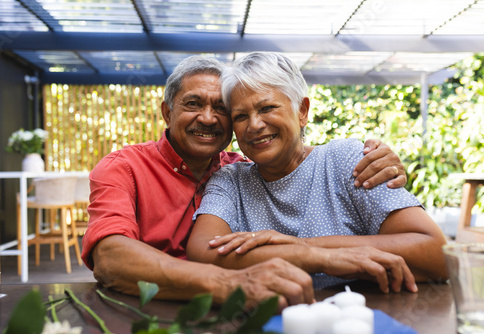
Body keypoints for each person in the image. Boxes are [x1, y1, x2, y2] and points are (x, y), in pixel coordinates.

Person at [81, 55, 411, 310]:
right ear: (167, 112)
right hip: (143, 314)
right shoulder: (123, 167)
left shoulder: (238, 168)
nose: (208, 118)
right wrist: (231, 282)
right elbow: (111, 258)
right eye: (193, 104)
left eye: (222, 109)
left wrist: (380, 161)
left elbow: (298, 152)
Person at [187, 52, 448, 294]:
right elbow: (202, 252)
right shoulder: (230, 180)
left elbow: (437, 253)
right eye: (241, 116)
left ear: (302, 111)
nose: (254, 125)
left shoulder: (346, 160)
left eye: (267, 108)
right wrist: (315, 257)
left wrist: (303, 246)